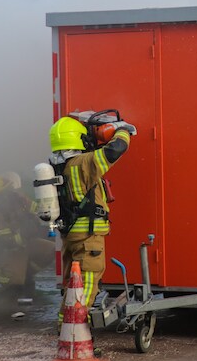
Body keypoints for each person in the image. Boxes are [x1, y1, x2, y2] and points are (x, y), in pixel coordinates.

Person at [47, 114, 135, 320]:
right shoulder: (83, 163)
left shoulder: (58, 166)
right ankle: (75, 331)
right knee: (86, 283)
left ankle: (65, 325)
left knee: (73, 283)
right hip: (88, 236)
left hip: (70, 235)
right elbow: (114, 150)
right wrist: (123, 130)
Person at [0, 171, 55, 290]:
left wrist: (41, 215)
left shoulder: (18, 200)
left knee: (51, 250)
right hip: (8, 251)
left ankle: (26, 274)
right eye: (6, 190)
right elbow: (6, 243)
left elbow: (38, 209)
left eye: (10, 188)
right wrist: (25, 232)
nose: (11, 192)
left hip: (25, 244)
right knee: (14, 282)